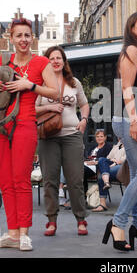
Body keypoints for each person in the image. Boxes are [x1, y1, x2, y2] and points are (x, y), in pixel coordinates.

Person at [0, 18, 59, 251]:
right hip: (1, 128)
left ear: (31, 38)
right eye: (19, 36)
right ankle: (12, 233)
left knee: (21, 180)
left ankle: (24, 233)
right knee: (5, 181)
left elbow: (55, 92)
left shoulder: (41, 62)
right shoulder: (4, 61)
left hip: (25, 124)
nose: (23, 40)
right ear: (11, 38)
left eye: (27, 35)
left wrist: (30, 86)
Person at [102, 10, 137, 252]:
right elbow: (127, 88)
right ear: (131, 26)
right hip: (131, 118)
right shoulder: (132, 50)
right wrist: (135, 121)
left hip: (135, 118)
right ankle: (118, 223)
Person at [36, 45, 90, 236]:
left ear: (64, 61)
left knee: (75, 179)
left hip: (72, 135)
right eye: (51, 58)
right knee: (49, 180)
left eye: (59, 58)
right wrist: (49, 108)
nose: (56, 61)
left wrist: (83, 120)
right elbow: (32, 110)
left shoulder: (74, 82)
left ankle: (81, 219)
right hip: (48, 137)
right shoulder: (40, 83)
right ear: (46, 62)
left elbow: (84, 104)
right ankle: (51, 221)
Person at [92, 139, 126, 212]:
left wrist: (116, 162)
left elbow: (128, 159)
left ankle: (103, 203)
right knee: (101, 159)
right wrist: (112, 161)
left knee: (102, 175)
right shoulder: (117, 145)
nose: (119, 138)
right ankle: (106, 182)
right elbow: (108, 157)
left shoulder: (130, 145)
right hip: (112, 164)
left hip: (123, 166)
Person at [83, 129, 112, 195]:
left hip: (97, 167)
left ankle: (84, 195)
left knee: (81, 172)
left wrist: (95, 162)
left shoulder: (108, 147)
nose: (99, 138)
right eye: (97, 136)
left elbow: (106, 160)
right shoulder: (93, 147)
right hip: (87, 165)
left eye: (101, 136)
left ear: (105, 137)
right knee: (78, 170)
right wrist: (87, 161)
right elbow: (87, 157)